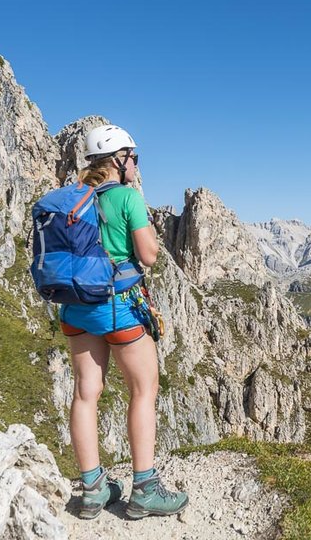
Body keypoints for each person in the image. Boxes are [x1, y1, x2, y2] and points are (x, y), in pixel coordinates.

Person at [60, 124, 188, 520]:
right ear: (117, 160)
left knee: (85, 393)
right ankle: (145, 489)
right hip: (117, 307)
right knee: (143, 388)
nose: (135, 163)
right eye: (132, 156)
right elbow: (148, 256)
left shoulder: (73, 200)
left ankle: (93, 490)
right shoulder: (127, 198)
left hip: (75, 307)